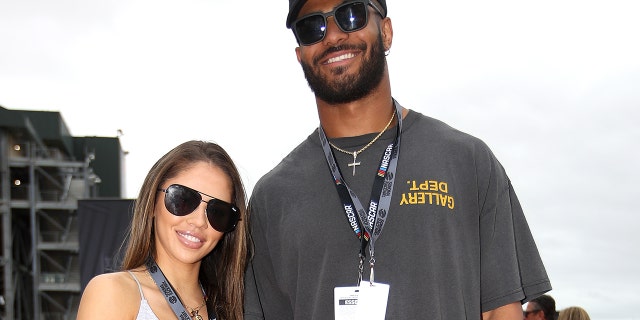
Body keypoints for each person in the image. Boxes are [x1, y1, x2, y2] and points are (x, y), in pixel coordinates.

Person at [244, 0, 552, 319]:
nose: (333, 36)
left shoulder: (468, 161)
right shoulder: (272, 197)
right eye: (312, 27)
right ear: (300, 56)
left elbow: (500, 311)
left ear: (387, 32)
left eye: (351, 15)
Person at [77, 140, 248, 320]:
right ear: (152, 203)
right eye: (183, 199)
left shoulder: (236, 308)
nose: (199, 221)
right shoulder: (113, 293)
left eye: (218, 212)